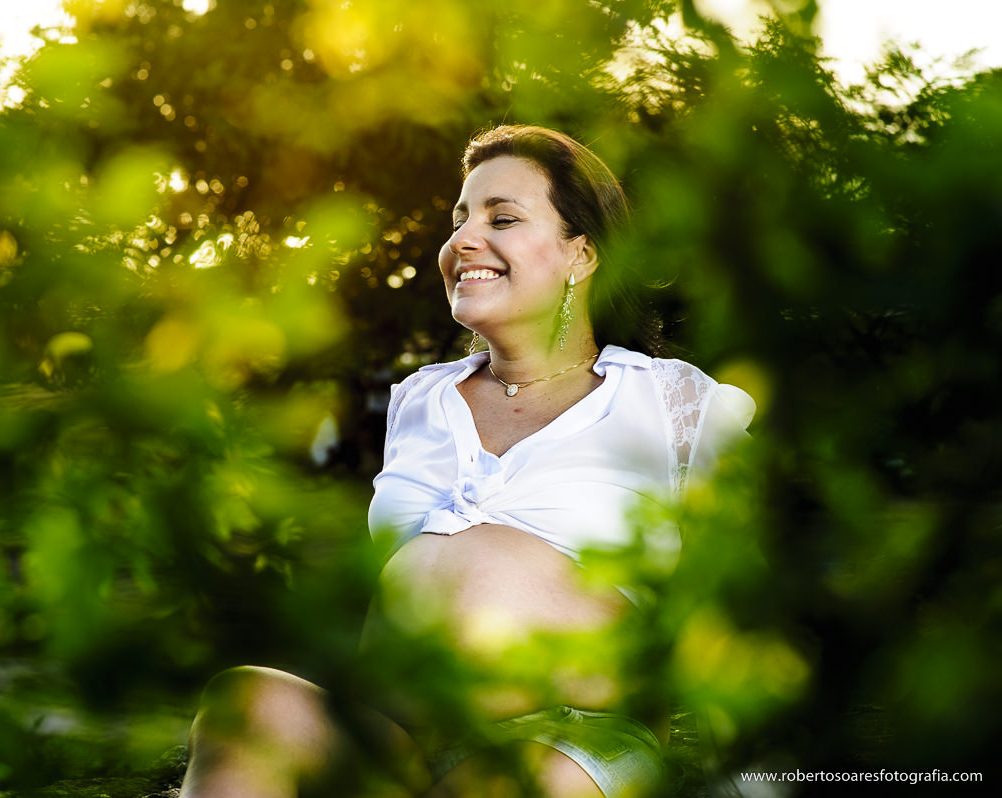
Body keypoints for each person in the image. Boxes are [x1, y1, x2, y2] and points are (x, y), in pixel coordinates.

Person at [181, 125, 755, 798]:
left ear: (582, 253)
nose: (462, 240)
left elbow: (745, 617)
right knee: (244, 701)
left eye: (501, 218)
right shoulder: (418, 400)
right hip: (392, 737)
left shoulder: (672, 403)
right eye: (459, 220)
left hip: (566, 741)